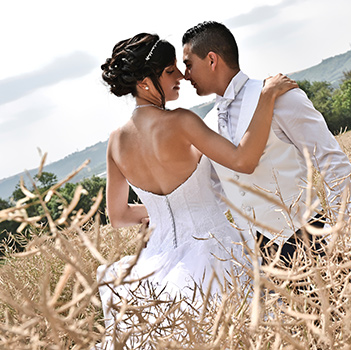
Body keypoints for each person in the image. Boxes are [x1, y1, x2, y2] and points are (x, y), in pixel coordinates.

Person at [96, 32, 297, 345]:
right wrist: (266, 98)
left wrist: (165, 212)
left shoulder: (115, 142)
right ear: (145, 82)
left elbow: (119, 215)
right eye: (169, 71)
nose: (180, 76)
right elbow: (243, 160)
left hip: (156, 265)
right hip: (214, 250)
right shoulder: (181, 122)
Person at [182, 21, 351, 266]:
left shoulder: (281, 97)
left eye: (188, 65)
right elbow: (217, 192)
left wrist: (342, 233)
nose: (185, 75)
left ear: (212, 60)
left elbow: (332, 162)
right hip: (259, 261)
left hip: (311, 240)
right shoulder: (207, 124)